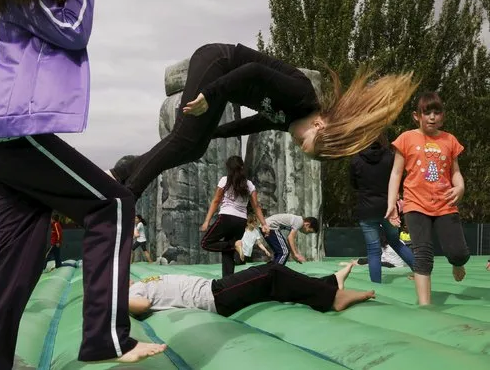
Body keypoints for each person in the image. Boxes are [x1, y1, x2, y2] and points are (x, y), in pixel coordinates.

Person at [0, 0, 165, 367]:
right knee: (114, 204)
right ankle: (106, 338)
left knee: (20, 259)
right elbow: (74, 29)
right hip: (11, 133)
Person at [108, 44, 418, 199]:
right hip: (219, 62)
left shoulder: (291, 118)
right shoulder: (300, 95)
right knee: (185, 141)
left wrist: (215, 132)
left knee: (193, 147)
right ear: (319, 125)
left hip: (221, 80)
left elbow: (254, 124)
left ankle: (120, 172)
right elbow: (253, 71)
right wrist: (209, 94)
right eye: (301, 143)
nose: (295, 141)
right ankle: (126, 197)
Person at [386, 92, 470, 305]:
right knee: (422, 252)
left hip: (445, 204)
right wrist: (392, 203)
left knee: (458, 252)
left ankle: (457, 262)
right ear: (417, 116)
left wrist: (460, 186)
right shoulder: (406, 138)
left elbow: (455, 171)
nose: (432, 117)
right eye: (427, 112)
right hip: (415, 203)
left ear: (443, 116)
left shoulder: (449, 140)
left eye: (437, 112)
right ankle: (425, 305)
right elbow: (396, 173)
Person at [128, 262, 374, 318]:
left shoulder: (134, 284)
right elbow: (143, 306)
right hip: (214, 297)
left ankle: (329, 281)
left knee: (275, 285)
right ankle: (334, 297)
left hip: (214, 291)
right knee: (271, 272)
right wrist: (113, 298)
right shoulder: (127, 296)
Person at [349, 137, 414, 283]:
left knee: (373, 250)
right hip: (389, 208)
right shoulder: (390, 158)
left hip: (366, 210)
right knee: (395, 242)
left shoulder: (356, 160)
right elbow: (399, 179)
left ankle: (376, 284)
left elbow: (353, 183)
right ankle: (419, 271)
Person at [200, 156, 269, 276]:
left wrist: (207, 221)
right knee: (228, 252)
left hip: (226, 217)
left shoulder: (224, 180)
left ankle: (234, 244)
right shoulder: (249, 185)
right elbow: (256, 206)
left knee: (205, 243)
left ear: (228, 168)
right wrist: (264, 224)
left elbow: (216, 201)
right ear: (242, 167)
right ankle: (228, 281)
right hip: (241, 221)